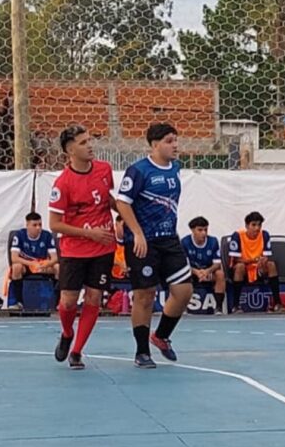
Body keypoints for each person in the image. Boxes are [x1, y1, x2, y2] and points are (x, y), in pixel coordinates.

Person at [116, 123, 193, 368]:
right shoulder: (138, 170)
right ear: (155, 144)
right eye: (170, 141)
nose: (175, 145)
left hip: (169, 239)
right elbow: (123, 203)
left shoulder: (176, 168)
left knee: (183, 292)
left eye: (176, 140)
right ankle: (142, 352)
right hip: (143, 242)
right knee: (145, 296)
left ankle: (160, 336)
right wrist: (137, 233)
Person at [47, 125, 116, 370]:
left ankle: (77, 351)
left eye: (90, 140)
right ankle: (67, 333)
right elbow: (54, 224)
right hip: (75, 250)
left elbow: (108, 200)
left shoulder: (104, 170)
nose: (90, 146)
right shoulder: (63, 183)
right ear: (70, 150)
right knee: (68, 302)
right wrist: (90, 233)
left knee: (95, 297)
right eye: (84, 142)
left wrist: (130, 217)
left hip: (104, 247)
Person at [228, 211, 282, 313]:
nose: (257, 228)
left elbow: (266, 255)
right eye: (253, 225)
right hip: (243, 268)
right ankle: (236, 305)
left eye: (259, 225)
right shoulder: (237, 236)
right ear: (247, 226)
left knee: (271, 265)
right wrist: (254, 260)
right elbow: (235, 259)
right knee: (239, 267)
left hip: (258, 268)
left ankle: (277, 303)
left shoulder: (265, 235)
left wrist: (263, 260)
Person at [7, 211, 59, 310]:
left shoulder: (47, 235)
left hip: (42, 265)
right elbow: (14, 258)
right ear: (27, 225)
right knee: (16, 267)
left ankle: (58, 303)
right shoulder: (19, 235)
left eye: (40, 224)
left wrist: (46, 264)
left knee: (58, 268)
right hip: (27, 265)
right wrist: (31, 264)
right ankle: (18, 302)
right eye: (34, 225)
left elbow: (55, 258)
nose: (38, 227)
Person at [182, 216, 226, 314]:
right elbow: (184, 264)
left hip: (207, 273)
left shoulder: (213, 241)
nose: (204, 233)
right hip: (192, 273)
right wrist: (196, 272)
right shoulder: (185, 242)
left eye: (205, 230)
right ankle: (183, 307)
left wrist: (206, 271)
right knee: (183, 274)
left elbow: (217, 264)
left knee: (220, 274)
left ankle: (218, 308)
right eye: (200, 230)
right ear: (193, 230)